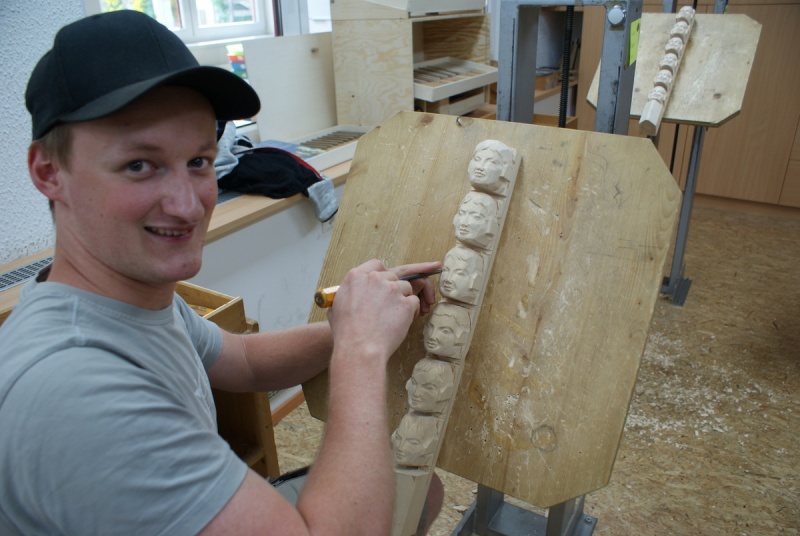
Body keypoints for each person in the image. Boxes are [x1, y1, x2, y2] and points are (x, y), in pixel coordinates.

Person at [0, 10, 443, 536]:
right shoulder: (76, 394)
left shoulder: (126, 295)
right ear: (49, 172)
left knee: (423, 492)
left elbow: (244, 361)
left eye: (198, 161)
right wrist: (361, 352)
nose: (188, 205)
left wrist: (355, 321)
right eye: (140, 165)